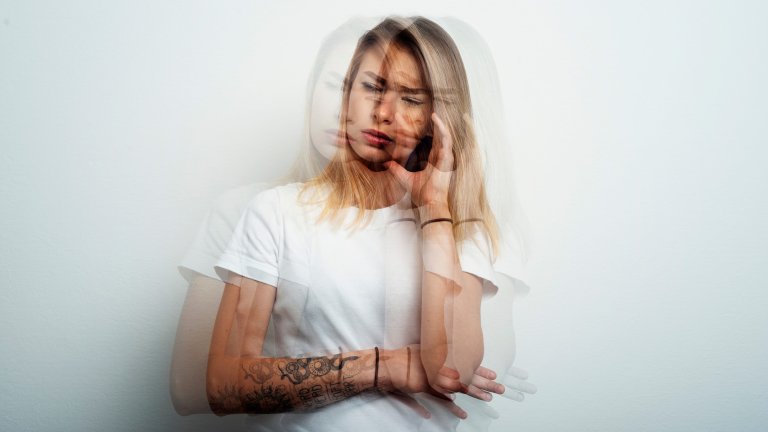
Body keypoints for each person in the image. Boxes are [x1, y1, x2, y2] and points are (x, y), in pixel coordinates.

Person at [174, 16, 534, 431]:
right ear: (347, 92)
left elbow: (450, 369)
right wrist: (383, 366)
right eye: (372, 87)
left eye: (412, 99)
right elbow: (221, 385)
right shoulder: (274, 211)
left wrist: (434, 211)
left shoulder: (461, 229)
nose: (384, 113)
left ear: (438, 120)